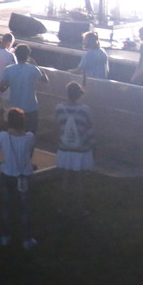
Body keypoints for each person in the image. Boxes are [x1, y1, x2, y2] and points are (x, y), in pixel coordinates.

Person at [0, 108, 37, 250]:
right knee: (25, 208)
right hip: (24, 176)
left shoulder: (3, 137)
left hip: (7, 174)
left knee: (6, 207)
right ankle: (26, 239)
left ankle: (5, 237)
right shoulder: (30, 137)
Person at [55, 82, 96, 217]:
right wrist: (93, 146)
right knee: (80, 180)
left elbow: (58, 128)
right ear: (79, 95)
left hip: (65, 149)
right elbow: (89, 130)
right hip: (81, 150)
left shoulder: (59, 109)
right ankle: (81, 208)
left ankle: (63, 206)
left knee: (66, 178)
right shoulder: (85, 110)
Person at [0, 44, 48, 134]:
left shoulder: (8, 70)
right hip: (31, 107)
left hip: (15, 108)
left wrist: (10, 82)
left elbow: (1, 88)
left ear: (16, 55)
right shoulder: (33, 69)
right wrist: (36, 65)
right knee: (30, 135)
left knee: (15, 134)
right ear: (28, 56)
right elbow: (45, 80)